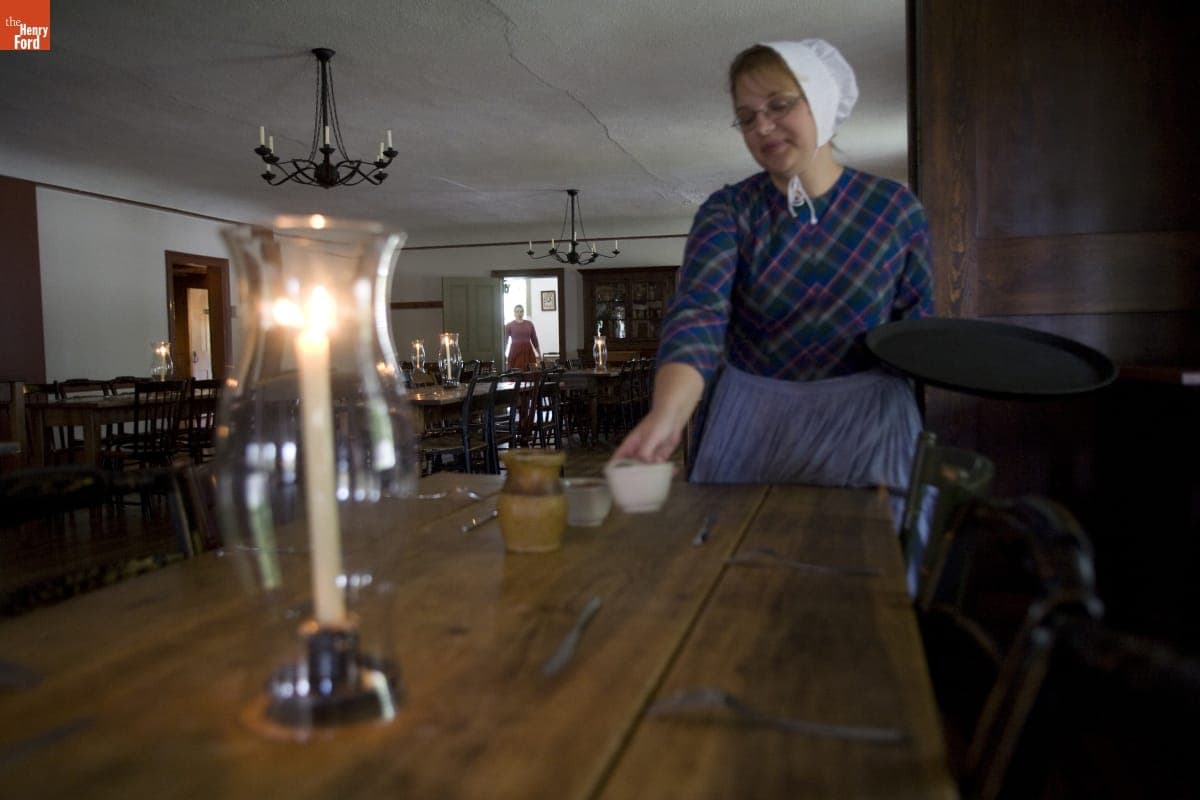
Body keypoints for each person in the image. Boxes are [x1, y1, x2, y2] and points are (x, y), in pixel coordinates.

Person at [614, 39, 933, 499]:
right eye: (746, 117)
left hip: (869, 428)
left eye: (779, 105)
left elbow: (918, 329)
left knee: (865, 563)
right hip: (751, 425)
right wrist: (668, 414)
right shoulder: (728, 212)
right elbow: (698, 316)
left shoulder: (895, 210)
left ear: (821, 100)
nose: (762, 126)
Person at [503, 304, 541, 371]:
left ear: (523, 313)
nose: (519, 313)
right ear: (514, 313)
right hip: (515, 352)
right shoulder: (509, 325)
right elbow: (505, 342)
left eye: (521, 311)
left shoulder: (529, 324)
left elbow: (535, 340)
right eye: (517, 311)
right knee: (516, 373)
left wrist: (539, 354)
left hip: (528, 352)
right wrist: (503, 354)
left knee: (529, 372)